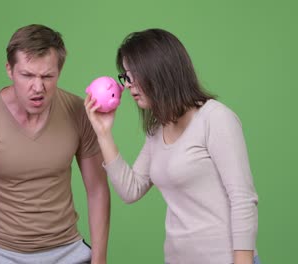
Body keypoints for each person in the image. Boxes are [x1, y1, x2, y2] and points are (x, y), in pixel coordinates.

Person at [84, 28, 260, 264]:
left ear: (161, 70)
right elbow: (131, 190)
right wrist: (103, 133)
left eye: (134, 74)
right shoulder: (158, 130)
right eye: (126, 76)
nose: (127, 85)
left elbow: (242, 198)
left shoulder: (215, 119)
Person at [0, 24, 110, 264]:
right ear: (10, 70)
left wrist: (99, 261)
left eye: (47, 76)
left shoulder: (79, 112)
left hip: (67, 250)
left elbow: (97, 190)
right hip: (0, 252)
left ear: (59, 72)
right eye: (27, 75)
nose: (38, 87)